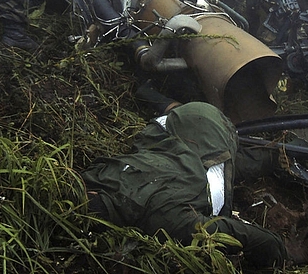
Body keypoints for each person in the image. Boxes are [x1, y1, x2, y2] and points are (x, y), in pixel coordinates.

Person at [82, 101, 288, 269]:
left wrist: (285, 252)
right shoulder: (98, 176)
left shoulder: (169, 223)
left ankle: (282, 155)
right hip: (169, 124)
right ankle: (281, 153)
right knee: (203, 166)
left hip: (216, 132)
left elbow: (245, 235)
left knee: (221, 186)